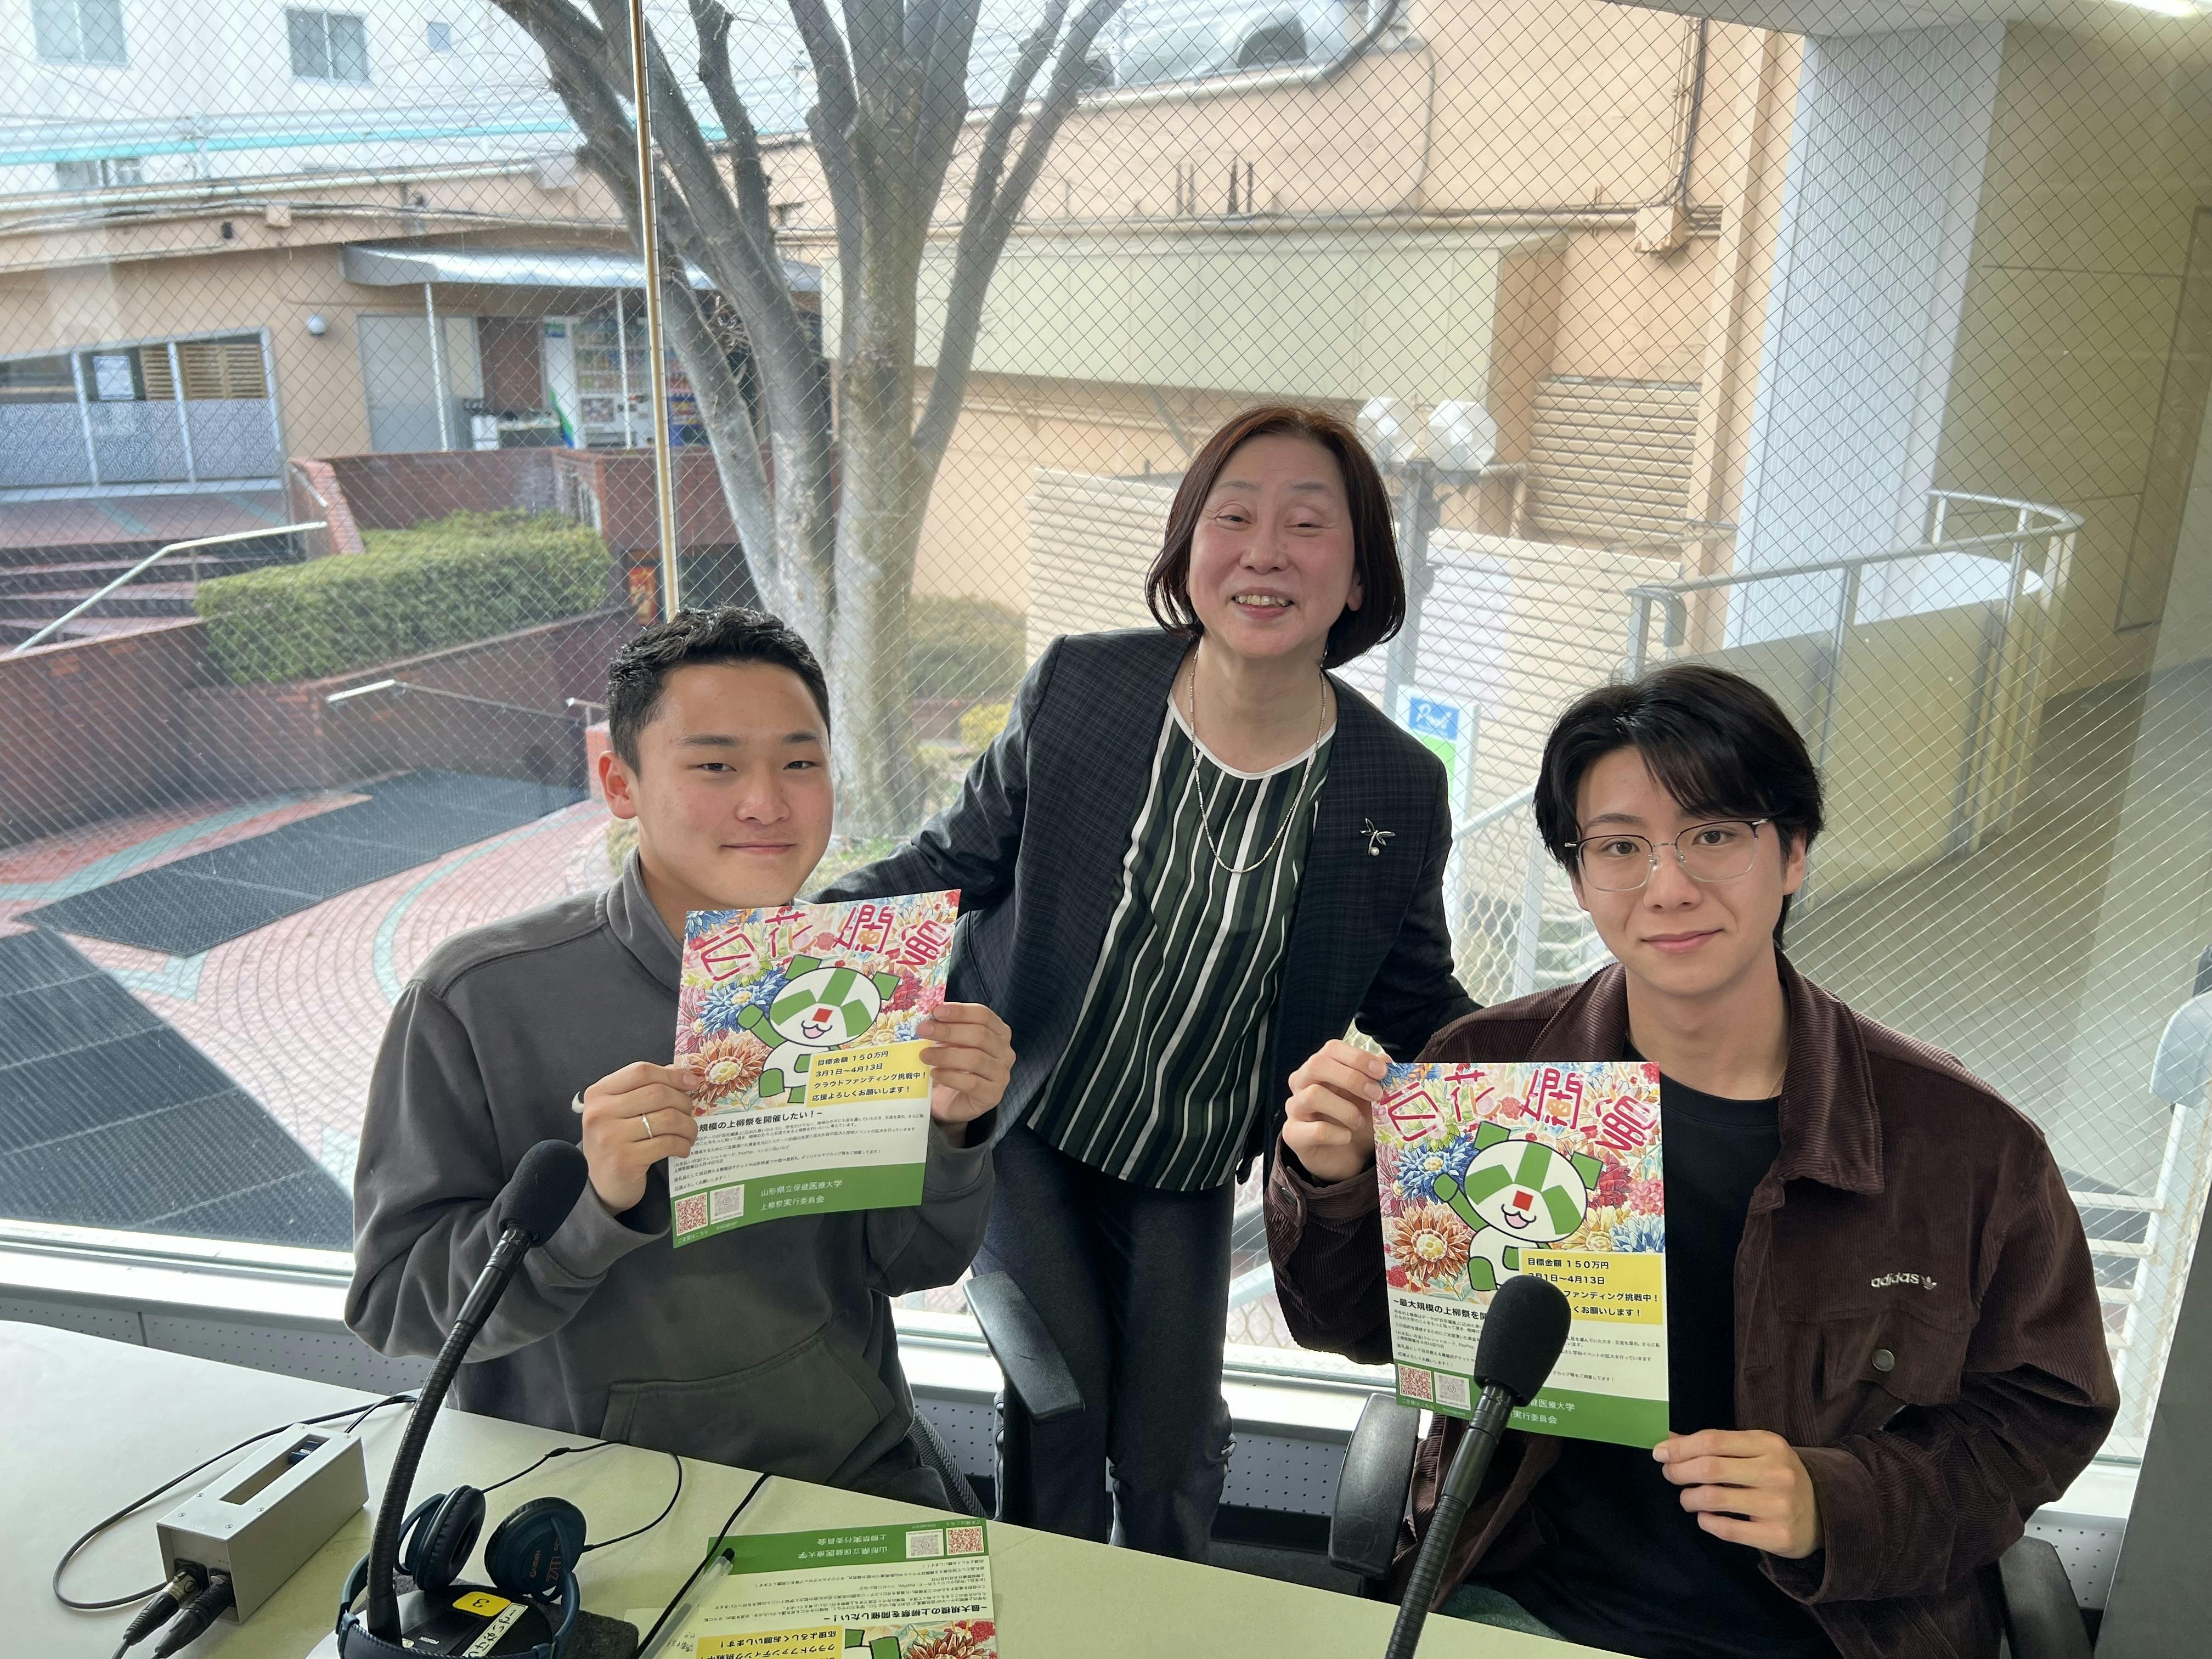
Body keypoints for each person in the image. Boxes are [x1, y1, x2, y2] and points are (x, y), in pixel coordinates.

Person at [1268, 664, 2117, 1659]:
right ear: (1579, 879)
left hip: (1838, 1631)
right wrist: (1331, 1182)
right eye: (1620, 847)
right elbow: (1357, 1329)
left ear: (1792, 853)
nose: (1668, 888)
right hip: (1532, 1607)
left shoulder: (1963, 1143)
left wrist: (1840, 1502)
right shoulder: (1487, 1077)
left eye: (1713, 835)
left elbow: (2046, 1411)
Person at [817, 405, 1477, 1559]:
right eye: (1234, 517)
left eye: (1307, 525)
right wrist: (789, 938)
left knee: (1173, 1459)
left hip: (1188, 1158)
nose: (1265, 552)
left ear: (1362, 572)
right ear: (1188, 546)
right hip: (1021, 1123)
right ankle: (1044, 1615)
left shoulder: (1396, 785)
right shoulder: (1084, 686)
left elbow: (1420, 1005)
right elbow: (953, 863)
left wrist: (1583, 1074)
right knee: (1062, 1410)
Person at [347, 608, 1014, 1505]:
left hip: (845, 1474)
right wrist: (593, 1208)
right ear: (618, 783)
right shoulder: (479, 999)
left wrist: (954, 1135)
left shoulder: (854, 979)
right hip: (583, 1502)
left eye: (801, 763)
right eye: (715, 766)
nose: (766, 803)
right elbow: (394, 1305)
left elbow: (908, 1265)